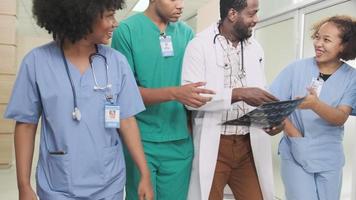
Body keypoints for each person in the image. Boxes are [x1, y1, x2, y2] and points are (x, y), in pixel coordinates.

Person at [4, 0, 153, 199]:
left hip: (109, 183)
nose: (115, 23)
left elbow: (126, 120)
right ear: (84, 17)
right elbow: (26, 125)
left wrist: (144, 173)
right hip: (58, 185)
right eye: (109, 16)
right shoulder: (36, 62)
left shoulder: (117, 62)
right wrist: (23, 185)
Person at [111, 0, 214, 199]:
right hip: (141, 140)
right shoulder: (126, 31)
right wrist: (175, 93)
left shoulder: (186, 34)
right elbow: (125, 93)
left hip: (179, 141)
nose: (180, 5)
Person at [181, 0, 283, 199]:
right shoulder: (199, 45)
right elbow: (190, 98)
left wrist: (272, 119)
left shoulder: (256, 48)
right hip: (216, 144)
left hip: (248, 144)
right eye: (252, 14)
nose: (256, 19)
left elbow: (259, 92)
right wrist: (238, 93)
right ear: (233, 14)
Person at [269, 15, 356, 200]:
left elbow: (341, 116)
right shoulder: (295, 69)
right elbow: (273, 103)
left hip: (329, 156)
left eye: (326, 40)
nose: (318, 43)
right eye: (317, 37)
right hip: (294, 151)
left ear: (344, 45)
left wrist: (315, 105)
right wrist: (294, 135)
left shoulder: (351, 77)